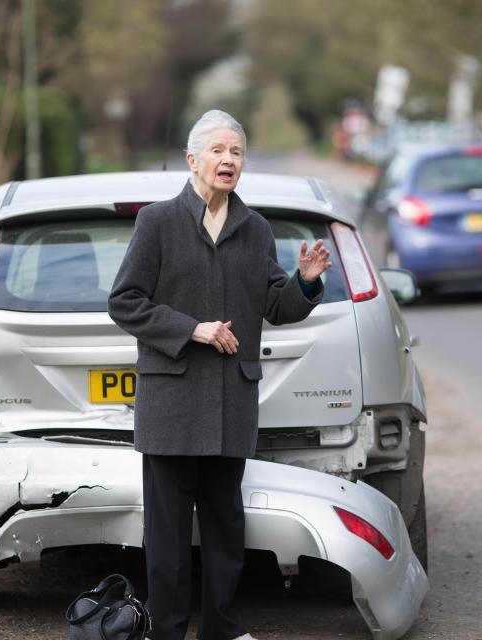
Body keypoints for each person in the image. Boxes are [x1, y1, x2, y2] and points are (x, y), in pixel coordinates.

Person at [108, 109, 331, 640]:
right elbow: (124, 302)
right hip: (170, 405)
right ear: (193, 160)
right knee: (165, 535)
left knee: (227, 528)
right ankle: (167, 630)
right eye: (218, 151)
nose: (228, 160)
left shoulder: (254, 230)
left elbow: (275, 305)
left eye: (236, 152)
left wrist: (303, 283)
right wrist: (193, 330)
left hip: (231, 403)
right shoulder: (157, 222)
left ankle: (222, 627)